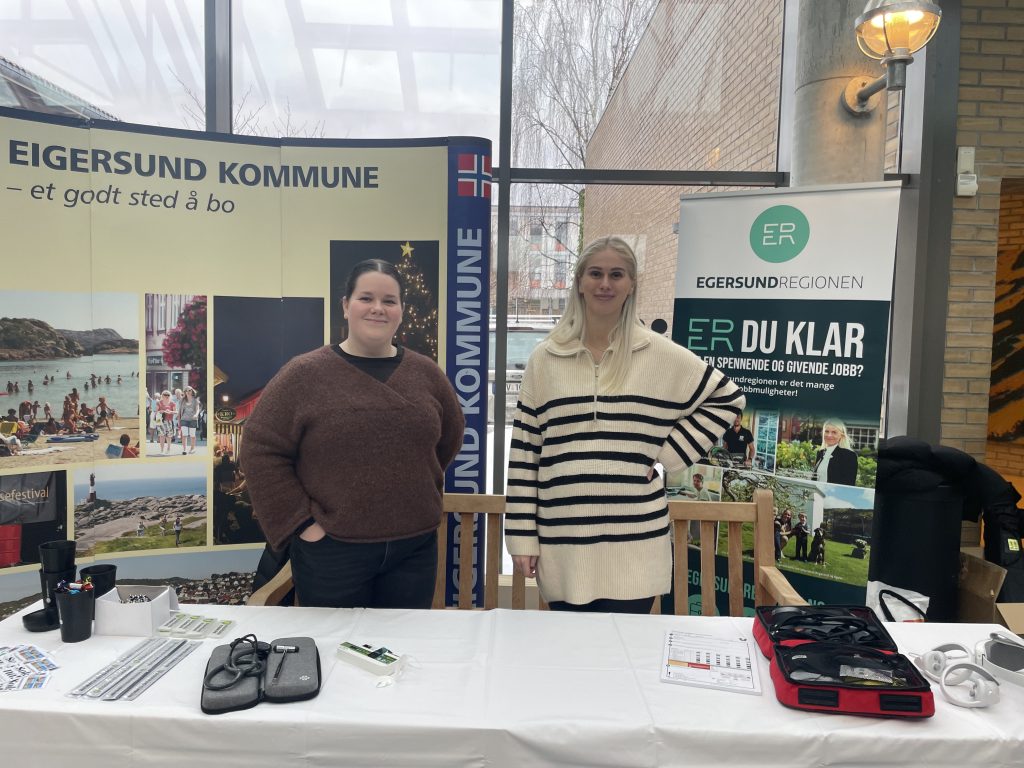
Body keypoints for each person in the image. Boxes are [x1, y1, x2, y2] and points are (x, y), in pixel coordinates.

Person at [504, 236, 744, 613]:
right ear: (580, 282)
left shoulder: (661, 354)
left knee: (627, 661)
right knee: (572, 658)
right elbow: (524, 454)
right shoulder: (545, 359)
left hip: (636, 547)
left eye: (617, 274)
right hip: (565, 544)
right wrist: (521, 538)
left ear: (631, 284)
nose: (605, 284)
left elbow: (727, 398)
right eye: (595, 273)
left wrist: (667, 454)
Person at [241, 258, 465, 609]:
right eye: (366, 298)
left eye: (389, 301)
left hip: (414, 549)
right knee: (334, 653)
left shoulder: (427, 374)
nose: (378, 308)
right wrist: (304, 525)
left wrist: (412, 490)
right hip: (333, 553)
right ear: (346, 306)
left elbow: (448, 438)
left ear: (401, 311)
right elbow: (260, 449)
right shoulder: (303, 375)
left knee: (403, 652)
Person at [813, 418, 858, 486]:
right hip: (817, 495)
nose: (829, 435)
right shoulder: (820, 453)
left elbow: (849, 485)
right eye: (827, 431)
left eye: (834, 432)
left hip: (834, 496)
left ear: (841, 435)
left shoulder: (849, 456)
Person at [178, 387, 201, 454]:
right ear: (184, 392)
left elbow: (197, 409)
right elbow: (179, 410)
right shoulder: (182, 400)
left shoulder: (195, 400)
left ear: (192, 391)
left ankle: (192, 448)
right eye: (186, 390)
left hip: (192, 419)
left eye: (189, 390)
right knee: (184, 434)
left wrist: (196, 415)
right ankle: (184, 449)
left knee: (192, 435)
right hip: (184, 419)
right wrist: (179, 419)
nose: (188, 391)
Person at [156, 390, 176, 455]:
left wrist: (170, 412)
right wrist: (161, 411)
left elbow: (176, 412)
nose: (167, 396)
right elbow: (156, 412)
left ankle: (168, 449)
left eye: (168, 395)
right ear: (162, 395)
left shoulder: (172, 403)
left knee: (168, 436)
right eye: (165, 395)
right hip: (161, 421)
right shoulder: (159, 403)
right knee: (162, 436)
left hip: (169, 421)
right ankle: (162, 450)